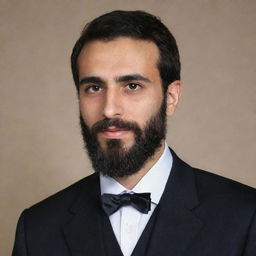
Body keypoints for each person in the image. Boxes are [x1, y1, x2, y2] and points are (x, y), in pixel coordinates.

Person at [12, 10, 256, 256]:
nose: (109, 110)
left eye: (132, 86)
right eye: (94, 87)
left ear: (171, 98)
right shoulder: (36, 229)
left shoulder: (246, 216)